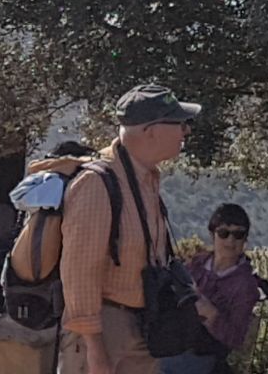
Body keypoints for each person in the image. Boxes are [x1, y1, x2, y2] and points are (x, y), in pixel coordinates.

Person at [59, 84, 201, 374]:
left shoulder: (144, 178)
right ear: (151, 131)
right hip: (106, 334)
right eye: (178, 123)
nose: (185, 131)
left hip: (140, 330)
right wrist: (95, 352)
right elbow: (79, 274)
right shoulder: (97, 184)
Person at [160, 204, 261, 374]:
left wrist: (212, 316)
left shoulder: (245, 285)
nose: (230, 240)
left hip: (203, 355)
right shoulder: (196, 264)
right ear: (212, 234)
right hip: (170, 343)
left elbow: (236, 339)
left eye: (238, 234)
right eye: (223, 233)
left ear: (245, 239)